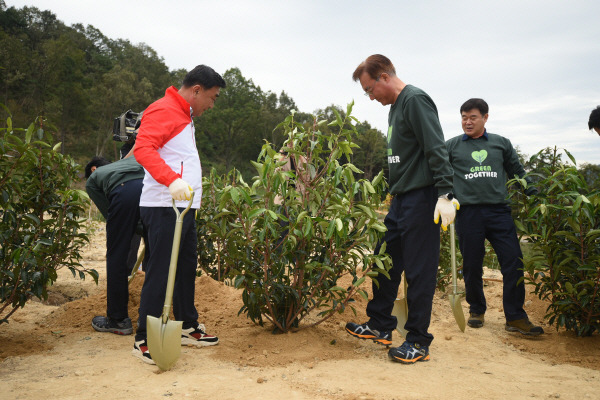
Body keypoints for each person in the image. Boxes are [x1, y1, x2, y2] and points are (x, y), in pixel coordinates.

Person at [345, 54, 458, 364]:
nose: (369, 97)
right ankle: (380, 324)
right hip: (401, 200)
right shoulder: (395, 109)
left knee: (420, 271)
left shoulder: (415, 100)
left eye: (369, 89)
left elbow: (436, 147)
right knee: (384, 260)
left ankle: (419, 341)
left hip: (423, 198)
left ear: (384, 77)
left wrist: (446, 194)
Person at [131, 65, 226, 364]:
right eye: (212, 97)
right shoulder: (164, 109)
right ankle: (144, 338)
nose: (212, 105)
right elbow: (143, 149)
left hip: (184, 209)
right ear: (196, 89)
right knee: (160, 271)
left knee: (185, 267)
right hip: (163, 206)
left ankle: (186, 324)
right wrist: (171, 180)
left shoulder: (184, 115)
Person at [446, 98, 544, 336]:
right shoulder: (451, 146)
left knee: (513, 262)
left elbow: (518, 172)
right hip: (468, 213)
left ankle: (516, 317)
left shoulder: (501, 144)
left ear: (485, 118)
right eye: (464, 117)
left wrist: (534, 193)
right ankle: (476, 310)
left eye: (473, 117)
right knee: (471, 265)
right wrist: (443, 197)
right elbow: (440, 174)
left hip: (499, 212)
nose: (467, 122)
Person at [85, 156, 145, 335]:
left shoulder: (93, 180)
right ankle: (151, 316)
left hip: (125, 192)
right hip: (156, 187)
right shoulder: (131, 160)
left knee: (116, 253)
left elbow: (110, 213)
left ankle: (118, 320)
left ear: (93, 170)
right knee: (157, 249)